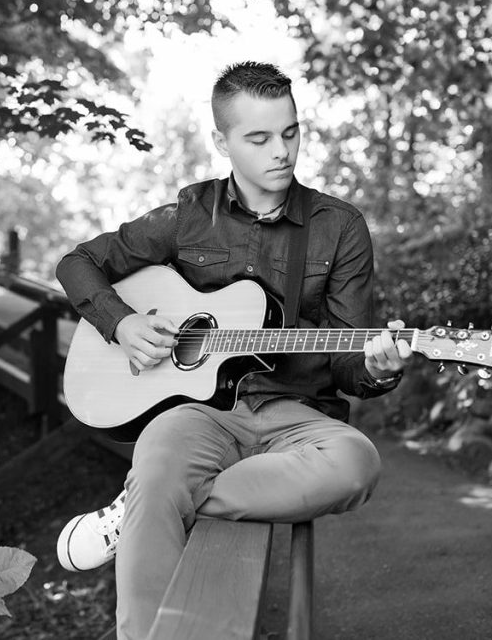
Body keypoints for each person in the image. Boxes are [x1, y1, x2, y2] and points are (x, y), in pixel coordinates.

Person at [54, 61, 411, 640]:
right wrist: (120, 325)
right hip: (198, 414)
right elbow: (77, 264)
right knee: (159, 459)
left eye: (291, 132)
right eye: (260, 138)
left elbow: (348, 362)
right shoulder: (190, 214)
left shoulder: (338, 227)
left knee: (357, 464)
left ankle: (144, 504)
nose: (282, 151)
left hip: (295, 416)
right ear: (222, 141)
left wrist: (377, 368)